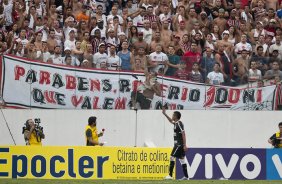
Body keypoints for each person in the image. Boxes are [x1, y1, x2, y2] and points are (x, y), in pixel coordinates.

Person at [162, 108, 189, 180]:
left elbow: (183, 133)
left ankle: (170, 175)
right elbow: (171, 121)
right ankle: (186, 177)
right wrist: (165, 114)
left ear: (176, 116)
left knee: (171, 157)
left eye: (173, 115)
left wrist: (184, 145)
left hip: (179, 145)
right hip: (178, 145)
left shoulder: (179, 123)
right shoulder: (176, 123)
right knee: (182, 159)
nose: (172, 116)